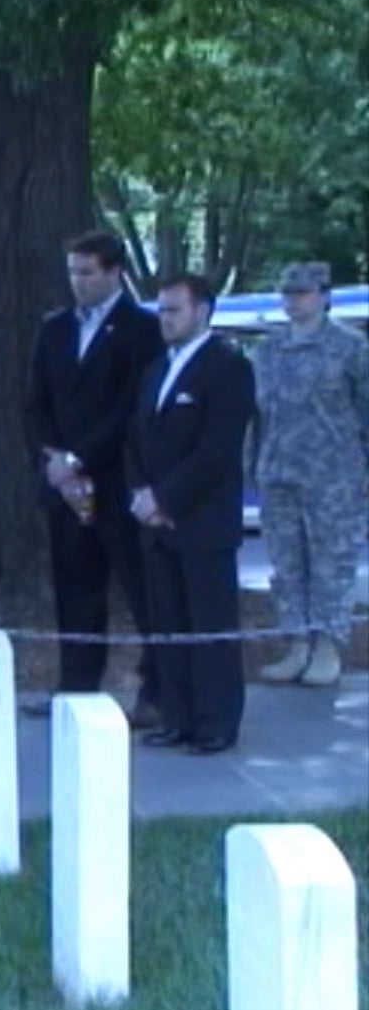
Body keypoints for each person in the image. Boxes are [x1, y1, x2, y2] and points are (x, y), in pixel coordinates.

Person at [22, 229, 167, 725]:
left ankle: (158, 689)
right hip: (66, 484)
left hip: (117, 477)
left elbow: (132, 406)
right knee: (74, 587)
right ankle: (77, 685)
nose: (77, 282)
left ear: (113, 272)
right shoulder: (54, 328)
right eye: (72, 272)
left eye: (87, 272)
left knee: (140, 586)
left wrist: (81, 456)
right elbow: (36, 401)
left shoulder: (141, 329)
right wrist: (56, 461)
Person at [128, 274, 254, 753]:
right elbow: (135, 438)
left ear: (202, 311)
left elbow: (216, 450)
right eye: (160, 310)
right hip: (157, 527)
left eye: (173, 310)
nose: (164, 319)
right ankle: (176, 717)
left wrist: (167, 500)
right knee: (170, 628)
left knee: (210, 629)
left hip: (202, 523)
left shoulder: (227, 367)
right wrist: (141, 494)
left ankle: (216, 723)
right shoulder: (157, 369)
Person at [250, 261, 369, 688]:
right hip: (279, 471)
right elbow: (258, 416)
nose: (293, 301)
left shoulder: (350, 347)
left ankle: (328, 647)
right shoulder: (268, 350)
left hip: (334, 475)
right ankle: (296, 643)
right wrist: (254, 466)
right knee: (287, 564)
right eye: (287, 293)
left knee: (331, 566)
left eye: (302, 293)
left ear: (324, 295)